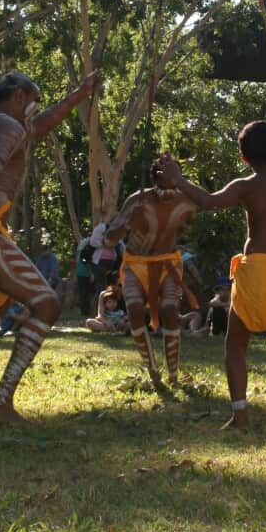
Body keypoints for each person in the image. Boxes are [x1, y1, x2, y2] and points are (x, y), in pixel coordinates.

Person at [0, 69, 101, 424]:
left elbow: (43, 123)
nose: (34, 111)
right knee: (47, 303)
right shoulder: (9, 128)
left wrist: (79, 93)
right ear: (20, 97)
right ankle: (1, 401)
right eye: (33, 102)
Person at [162, 91, 266, 428]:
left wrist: (178, 179)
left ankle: (240, 413)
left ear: (243, 157)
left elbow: (208, 201)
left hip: (255, 277)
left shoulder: (245, 186)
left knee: (235, 346)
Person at [102, 165, 201, 386]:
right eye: (162, 183)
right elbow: (108, 240)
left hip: (167, 264)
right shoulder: (137, 200)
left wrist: (181, 228)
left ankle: (173, 375)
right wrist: (129, 222)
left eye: (173, 182)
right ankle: (152, 369)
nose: (167, 192)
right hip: (136, 263)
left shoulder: (187, 201)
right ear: (154, 181)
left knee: (170, 309)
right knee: (135, 309)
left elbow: (190, 222)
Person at [74, 236, 96, 318]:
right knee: (86, 293)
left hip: (79, 272)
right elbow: (87, 263)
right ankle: (86, 310)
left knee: (83, 293)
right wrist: (91, 274)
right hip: (85, 273)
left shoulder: (79, 249)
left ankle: (84, 310)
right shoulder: (86, 250)